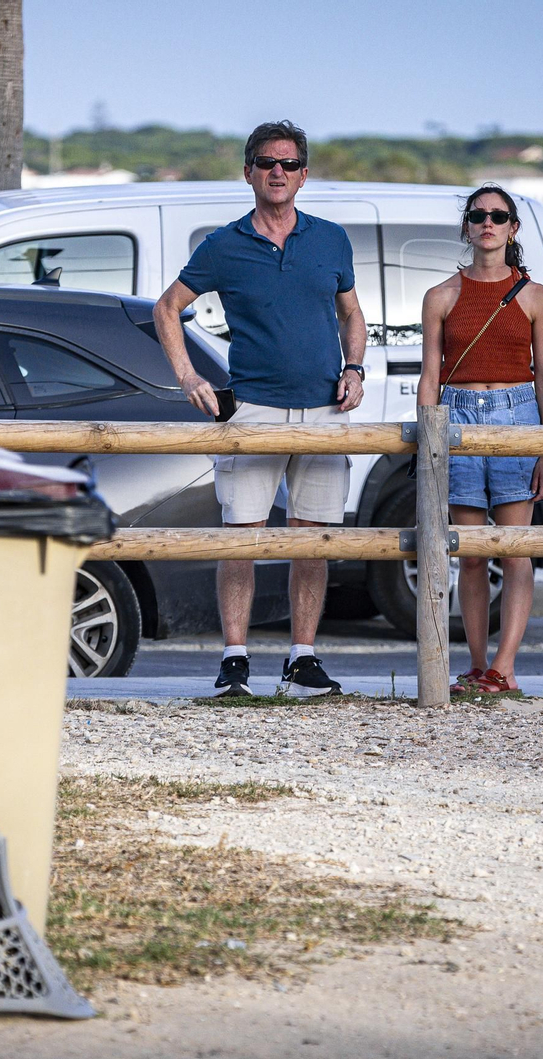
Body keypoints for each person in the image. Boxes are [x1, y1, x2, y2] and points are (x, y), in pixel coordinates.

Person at [152, 119, 367, 698]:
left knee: (312, 538)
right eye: (267, 163)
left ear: (304, 174)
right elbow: (167, 307)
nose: (278, 172)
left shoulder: (331, 239)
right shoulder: (223, 244)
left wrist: (355, 368)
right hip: (252, 408)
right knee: (240, 537)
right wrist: (188, 377)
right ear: (248, 172)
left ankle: (303, 658)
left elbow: (352, 313)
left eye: (289, 164)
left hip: (324, 410)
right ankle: (235, 659)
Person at [418, 185, 543, 695]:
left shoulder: (535, 296)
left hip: (518, 415)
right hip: (455, 417)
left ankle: (505, 667)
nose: (488, 223)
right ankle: (477, 666)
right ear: (467, 227)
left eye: (498, 216)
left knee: (515, 550)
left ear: (513, 228)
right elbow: (430, 374)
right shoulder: (441, 296)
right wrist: (428, 441)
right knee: (471, 553)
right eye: (478, 215)